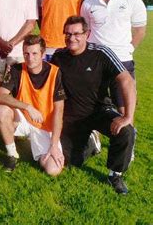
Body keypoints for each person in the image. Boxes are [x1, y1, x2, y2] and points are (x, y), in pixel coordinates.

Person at [51, 16, 136, 194]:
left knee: (125, 131)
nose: (71, 38)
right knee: (71, 161)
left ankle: (115, 175)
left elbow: (127, 80)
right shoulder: (59, 56)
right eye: (67, 34)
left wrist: (127, 116)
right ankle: (91, 143)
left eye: (76, 34)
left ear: (87, 34)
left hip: (98, 112)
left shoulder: (101, 53)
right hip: (72, 118)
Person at [80, 0, 147, 112]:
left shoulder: (133, 0)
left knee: (125, 109)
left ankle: (127, 135)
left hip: (123, 61)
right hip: (96, 63)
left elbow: (140, 30)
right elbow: (86, 31)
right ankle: (93, 136)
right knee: (92, 107)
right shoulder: (88, 3)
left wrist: (129, 49)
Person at [0, 35, 65, 176]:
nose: (30, 58)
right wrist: (27, 107)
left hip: (45, 125)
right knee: (2, 110)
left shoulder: (55, 72)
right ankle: (12, 154)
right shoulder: (16, 69)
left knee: (53, 170)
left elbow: (59, 111)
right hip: (24, 119)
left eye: (34, 53)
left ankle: (91, 141)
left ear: (43, 54)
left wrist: (54, 145)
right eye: (26, 53)